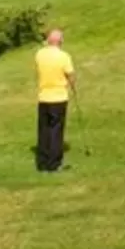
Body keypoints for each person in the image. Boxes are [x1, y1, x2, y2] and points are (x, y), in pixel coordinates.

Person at [32, 26, 76, 173]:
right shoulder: (64, 56)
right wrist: (72, 85)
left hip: (43, 97)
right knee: (56, 131)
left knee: (43, 130)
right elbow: (70, 75)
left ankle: (42, 162)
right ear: (59, 40)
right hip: (58, 97)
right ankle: (54, 163)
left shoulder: (39, 54)